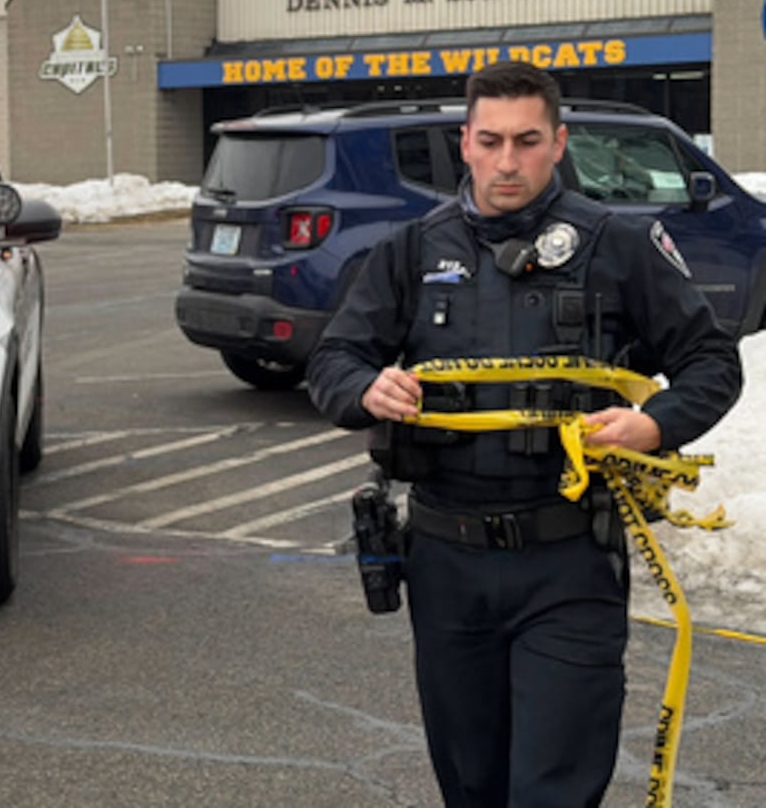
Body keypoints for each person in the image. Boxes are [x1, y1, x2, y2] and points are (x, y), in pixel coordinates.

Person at [306, 60, 742, 808]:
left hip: (568, 560)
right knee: (471, 785)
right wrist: (364, 387)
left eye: (528, 141)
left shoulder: (617, 245)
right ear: (465, 143)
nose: (508, 161)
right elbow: (334, 359)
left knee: (552, 789)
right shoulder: (412, 250)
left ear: (559, 141)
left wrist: (652, 423)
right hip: (447, 562)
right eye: (492, 140)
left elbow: (711, 361)